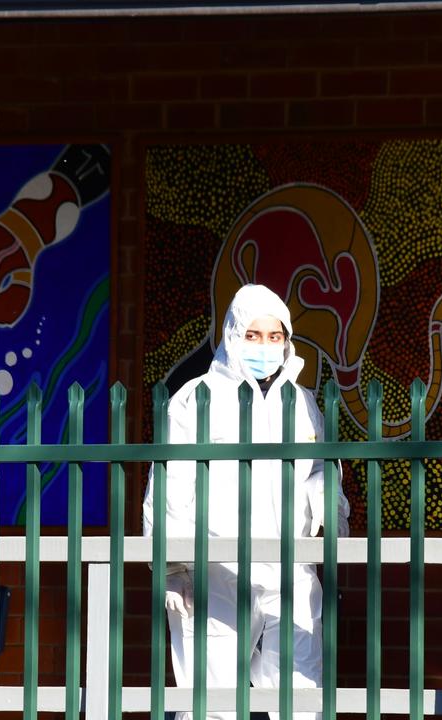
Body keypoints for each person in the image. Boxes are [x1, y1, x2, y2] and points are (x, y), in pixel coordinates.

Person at [142, 283, 350, 720]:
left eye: (275, 336)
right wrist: (173, 567)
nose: (265, 346)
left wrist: (331, 526)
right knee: (213, 700)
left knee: (299, 693)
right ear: (233, 335)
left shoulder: (301, 402)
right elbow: (171, 485)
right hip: (216, 568)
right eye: (253, 335)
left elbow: (321, 474)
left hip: (288, 566)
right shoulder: (195, 399)